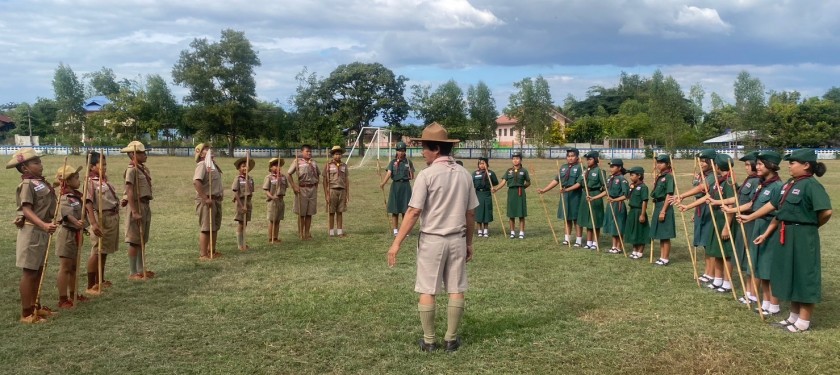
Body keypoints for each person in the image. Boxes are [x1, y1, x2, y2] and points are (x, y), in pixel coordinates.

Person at [387, 122, 478, 353]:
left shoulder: (426, 175)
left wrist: (396, 243)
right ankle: (451, 339)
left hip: (432, 241)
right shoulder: (465, 174)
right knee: (456, 287)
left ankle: (429, 341)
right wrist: (468, 242)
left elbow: (414, 211)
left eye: (424, 148)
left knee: (428, 289)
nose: (421, 152)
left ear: (436, 148)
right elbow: (470, 213)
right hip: (457, 239)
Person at [754, 149, 831, 333]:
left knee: (804, 276)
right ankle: (793, 317)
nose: (789, 165)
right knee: (791, 274)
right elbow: (778, 210)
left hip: (803, 235)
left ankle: (803, 322)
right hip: (786, 232)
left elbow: (826, 212)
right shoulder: (790, 184)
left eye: (793, 162)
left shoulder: (811, 185)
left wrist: (811, 226)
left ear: (806, 165)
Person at [8, 148, 57, 323]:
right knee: (29, 272)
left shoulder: (39, 182)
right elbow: (26, 210)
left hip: (42, 231)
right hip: (32, 232)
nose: (40, 165)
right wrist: (44, 225)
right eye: (36, 162)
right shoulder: (27, 184)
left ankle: (37, 306)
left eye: (39, 161)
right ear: (24, 168)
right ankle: (27, 312)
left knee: (38, 271)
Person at [733, 151, 784, 316]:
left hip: (770, 228)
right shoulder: (764, 184)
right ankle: (767, 302)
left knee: (768, 267)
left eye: (761, 164)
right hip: (759, 226)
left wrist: (749, 217)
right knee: (761, 267)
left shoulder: (777, 186)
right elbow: (753, 204)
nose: (757, 166)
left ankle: (774, 305)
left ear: (770, 165)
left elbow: (771, 209)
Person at [715, 151, 760, 304]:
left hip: (752, 221)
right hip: (744, 220)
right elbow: (738, 197)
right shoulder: (749, 180)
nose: (746, 167)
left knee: (752, 259)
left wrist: (732, 210)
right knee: (746, 257)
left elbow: (751, 203)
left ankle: (753, 293)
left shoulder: (757, 181)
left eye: (748, 164)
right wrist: (716, 202)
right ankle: (748, 292)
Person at [676, 149, 716, 281]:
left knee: (709, 243)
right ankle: (707, 272)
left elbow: (701, 189)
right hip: (700, 209)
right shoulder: (701, 174)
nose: (701, 164)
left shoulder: (713, 176)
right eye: (700, 161)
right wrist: (694, 212)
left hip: (709, 209)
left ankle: (712, 273)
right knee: (704, 243)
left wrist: (682, 196)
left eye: (704, 161)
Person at [85, 151, 121, 294]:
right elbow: (88, 204)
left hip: (110, 218)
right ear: (92, 166)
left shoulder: (104, 180)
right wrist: (93, 224)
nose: (105, 167)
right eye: (102, 164)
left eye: (105, 164)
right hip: (100, 219)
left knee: (103, 251)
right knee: (96, 251)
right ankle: (90, 284)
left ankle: (100, 279)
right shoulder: (90, 182)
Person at [54, 164, 86, 309]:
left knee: (74, 267)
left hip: (76, 233)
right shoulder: (64, 196)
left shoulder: (76, 195)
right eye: (76, 178)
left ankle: (74, 294)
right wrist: (76, 222)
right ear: (67, 181)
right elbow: (66, 214)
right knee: (65, 267)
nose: (79, 180)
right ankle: (62, 299)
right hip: (67, 233)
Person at [121, 141, 154, 280]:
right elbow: (129, 189)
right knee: (134, 240)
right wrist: (134, 211)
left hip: (145, 204)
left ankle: (141, 269)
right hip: (136, 205)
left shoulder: (143, 169)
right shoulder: (131, 170)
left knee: (142, 239)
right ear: (133, 155)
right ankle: (133, 272)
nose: (145, 155)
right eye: (142, 153)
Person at [537, 148, 583, 246]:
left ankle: (578, 240)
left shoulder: (580, 168)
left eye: (572, 156)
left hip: (576, 195)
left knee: (576, 219)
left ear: (577, 157)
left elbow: (579, 183)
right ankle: (567, 239)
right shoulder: (563, 167)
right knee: (567, 218)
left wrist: (567, 190)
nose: (570, 158)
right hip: (565, 195)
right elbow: (556, 181)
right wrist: (544, 190)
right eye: (568, 156)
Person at [193, 143, 223, 260]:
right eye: (205, 149)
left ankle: (212, 251)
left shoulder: (213, 165)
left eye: (208, 148)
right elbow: (196, 182)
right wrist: (205, 198)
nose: (209, 150)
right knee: (206, 227)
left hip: (215, 200)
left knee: (214, 226)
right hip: (206, 201)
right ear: (200, 155)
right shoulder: (202, 165)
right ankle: (203, 254)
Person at [593, 159, 628, 254]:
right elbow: (606, 191)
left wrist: (614, 200)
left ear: (619, 168)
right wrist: (593, 198)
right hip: (611, 203)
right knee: (613, 224)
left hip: (618, 204)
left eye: (613, 167)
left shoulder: (622, 179)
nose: (611, 168)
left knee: (619, 225)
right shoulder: (610, 178)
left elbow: (626, 195)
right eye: (610, 166)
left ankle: (619, 247)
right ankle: (613, 246)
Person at [380, 142, 415, 236]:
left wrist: (410, 174)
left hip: (405, 186)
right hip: (395, 186)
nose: (400, 152)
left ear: (405, 152)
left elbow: (412, 176)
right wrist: (383, 183)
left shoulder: (408, 162)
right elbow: (389, 173)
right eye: (399, 150)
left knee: (405, 209)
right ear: (396, 151)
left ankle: (405, 230)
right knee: (395, 209)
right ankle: (395, 230)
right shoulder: (393, 162)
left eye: (402, 151)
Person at [492, 152, 530, 239]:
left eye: (517, 158)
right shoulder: (509, 171)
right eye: (514, 159)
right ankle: (512, 232)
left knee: (521, 213)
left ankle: (521, 232)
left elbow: (528, 182)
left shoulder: (524, 171)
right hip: (511, 192)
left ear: (520, 160)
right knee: (511, 213)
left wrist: (523, 187)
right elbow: (503, 182)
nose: (515, 160)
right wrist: (496, 189)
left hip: (520, 193)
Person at [288, 144, 320, 240]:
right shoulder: (297, 162)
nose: (309, 153)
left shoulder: (314, 163)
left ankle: (307, 233)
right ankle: (301, 233)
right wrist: (294, 186)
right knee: (302, 213)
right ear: (302, 152)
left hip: (312, 189)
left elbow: (318, 175)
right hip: (302, 189)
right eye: (307, 151)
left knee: (309, 213)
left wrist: (316, 186)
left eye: (310, 151)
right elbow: (289, 174)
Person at [649, 154, 676, 266]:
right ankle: (661, 256)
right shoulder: (660, 176)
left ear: (668, 164)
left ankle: (665, 258)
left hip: (665, 206)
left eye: (661, 163)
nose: (658, 165)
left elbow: (669, 195)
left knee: (665, 234)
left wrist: (663, 210)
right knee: (660, 234)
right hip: (658, 204)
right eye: (657, 163)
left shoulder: (669, 177)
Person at [576, 151, 604, 250]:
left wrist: (596, 197)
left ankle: (595, 242)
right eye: (587, 159)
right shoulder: (585, 171)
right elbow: (579, 183)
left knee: (595, 220)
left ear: (596, 159)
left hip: (595, 194)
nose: (588, 161)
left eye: (590, 159)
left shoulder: (599, 171)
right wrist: (566, 189)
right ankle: (588, 242)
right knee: (588, 219)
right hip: (585, 194)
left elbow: (605, 188)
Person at [324, 146, 350, 237]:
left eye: (339, 154)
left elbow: (346, 180)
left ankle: (339, 231)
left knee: (340, 212)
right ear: (332, 155)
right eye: (336, 154)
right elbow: (325, 181)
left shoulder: (344, 166)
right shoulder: (328, 165)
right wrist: (326, 194)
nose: (338, 156)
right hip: (332, 190)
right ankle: (331, 232)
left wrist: (347, 193)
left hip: (342, 190)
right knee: (331, 212)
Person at [624, 166, 649, 259]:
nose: (631, 177)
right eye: (630, 175)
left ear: (639, 176)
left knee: (640, 231)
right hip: (632, 211)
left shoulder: (643, 187)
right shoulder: (633, 186)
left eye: (632, 175)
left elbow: (644, 201)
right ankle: (634, 249)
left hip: (639, 211)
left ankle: (640, 251)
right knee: (633, 230)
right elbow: (627, 196)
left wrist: (642, 214)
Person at [232, 157, 255, 251]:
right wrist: (242, 206)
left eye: (246, 166)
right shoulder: (238, 179)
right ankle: (239, 244)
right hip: (241, 203)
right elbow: (235, 193)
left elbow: (251, 191)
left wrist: (248, 204)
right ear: (239, 168)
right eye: (242, 166)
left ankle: (244, 242)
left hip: (248, 202)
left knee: (245, 223)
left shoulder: (250, 179)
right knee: (241, 223)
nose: (245, 168)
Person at [263, 158, 287, 243]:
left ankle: (276, 237)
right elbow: (266, 190)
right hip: (272, 201)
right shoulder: (269, 177)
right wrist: (272, 197)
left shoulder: (283, 177)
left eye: (279, 165)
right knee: (272, 220)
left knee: (278, 220)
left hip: (280, 200)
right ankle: (271, 238)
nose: (278, 167)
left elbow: (285, 187)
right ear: (270, 168)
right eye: (275, 166)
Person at [472, 157, 498, 238]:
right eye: (480, 164)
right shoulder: (475, 173)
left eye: (483, 163)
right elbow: (471, 184)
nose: (482, 165)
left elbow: (495, 182)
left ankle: (486, 230)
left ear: (487, 164)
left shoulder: (491, 173)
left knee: (487, 212)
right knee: (478, 212)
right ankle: (479, 230)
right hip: (478, 193)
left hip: (487, 194)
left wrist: (492, 188)